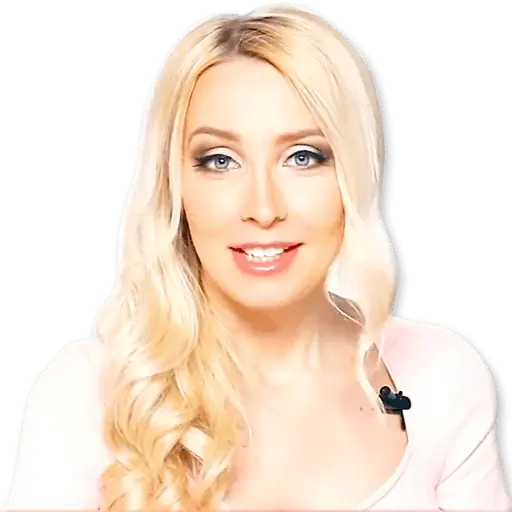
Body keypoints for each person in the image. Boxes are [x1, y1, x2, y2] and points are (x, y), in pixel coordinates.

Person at [2, 2, 510, 511]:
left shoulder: (442, 377)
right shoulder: (87, 395)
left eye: (303, 157)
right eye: (219, 160)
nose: (263, 209)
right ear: (174, 186)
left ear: (356, 174)